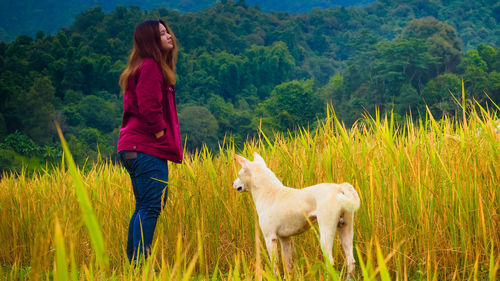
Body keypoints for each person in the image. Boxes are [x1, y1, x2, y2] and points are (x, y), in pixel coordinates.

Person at [117, 19, 183, 263]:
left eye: (167, 32)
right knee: (151, 207)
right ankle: (140, 265)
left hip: (133, 148)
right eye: (162, 34)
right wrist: (160, 135)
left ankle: (134, 264)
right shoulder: (151, 67)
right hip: (145, 149)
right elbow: (149, 107)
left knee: (144, 206)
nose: (169, 37)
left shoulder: (141, 66)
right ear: (150, 42)